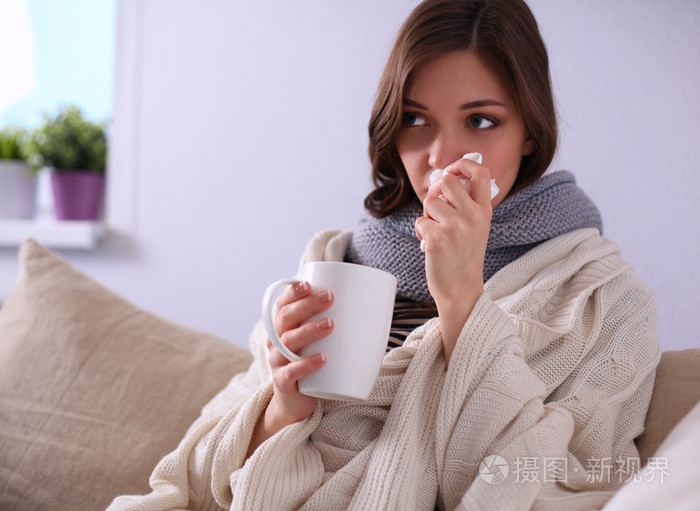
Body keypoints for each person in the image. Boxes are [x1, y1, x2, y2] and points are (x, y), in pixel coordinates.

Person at [109, 0, 660, 509]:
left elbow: (560, 490)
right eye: (416, 119)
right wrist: (281, 408)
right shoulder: (336, 260)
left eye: (481, 121)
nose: (441, 157)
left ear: (531, 134)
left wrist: (463, 297)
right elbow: (196, 473)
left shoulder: (604, 299)